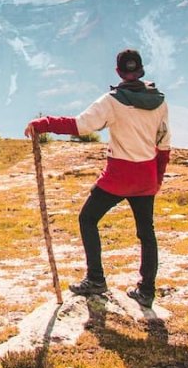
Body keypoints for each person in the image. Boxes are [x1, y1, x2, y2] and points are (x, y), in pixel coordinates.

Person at [23, 49, 171, 308]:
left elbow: (80, 126)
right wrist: (157, 178)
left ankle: (96, 279)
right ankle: (146, 291)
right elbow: (164, 145)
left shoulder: (112, 101)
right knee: (147, 233)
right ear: (142, 70)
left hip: (118, 176)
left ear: (118, 72)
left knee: (88, 218)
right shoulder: (159, 102)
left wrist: (44, 123)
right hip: (146, 176)